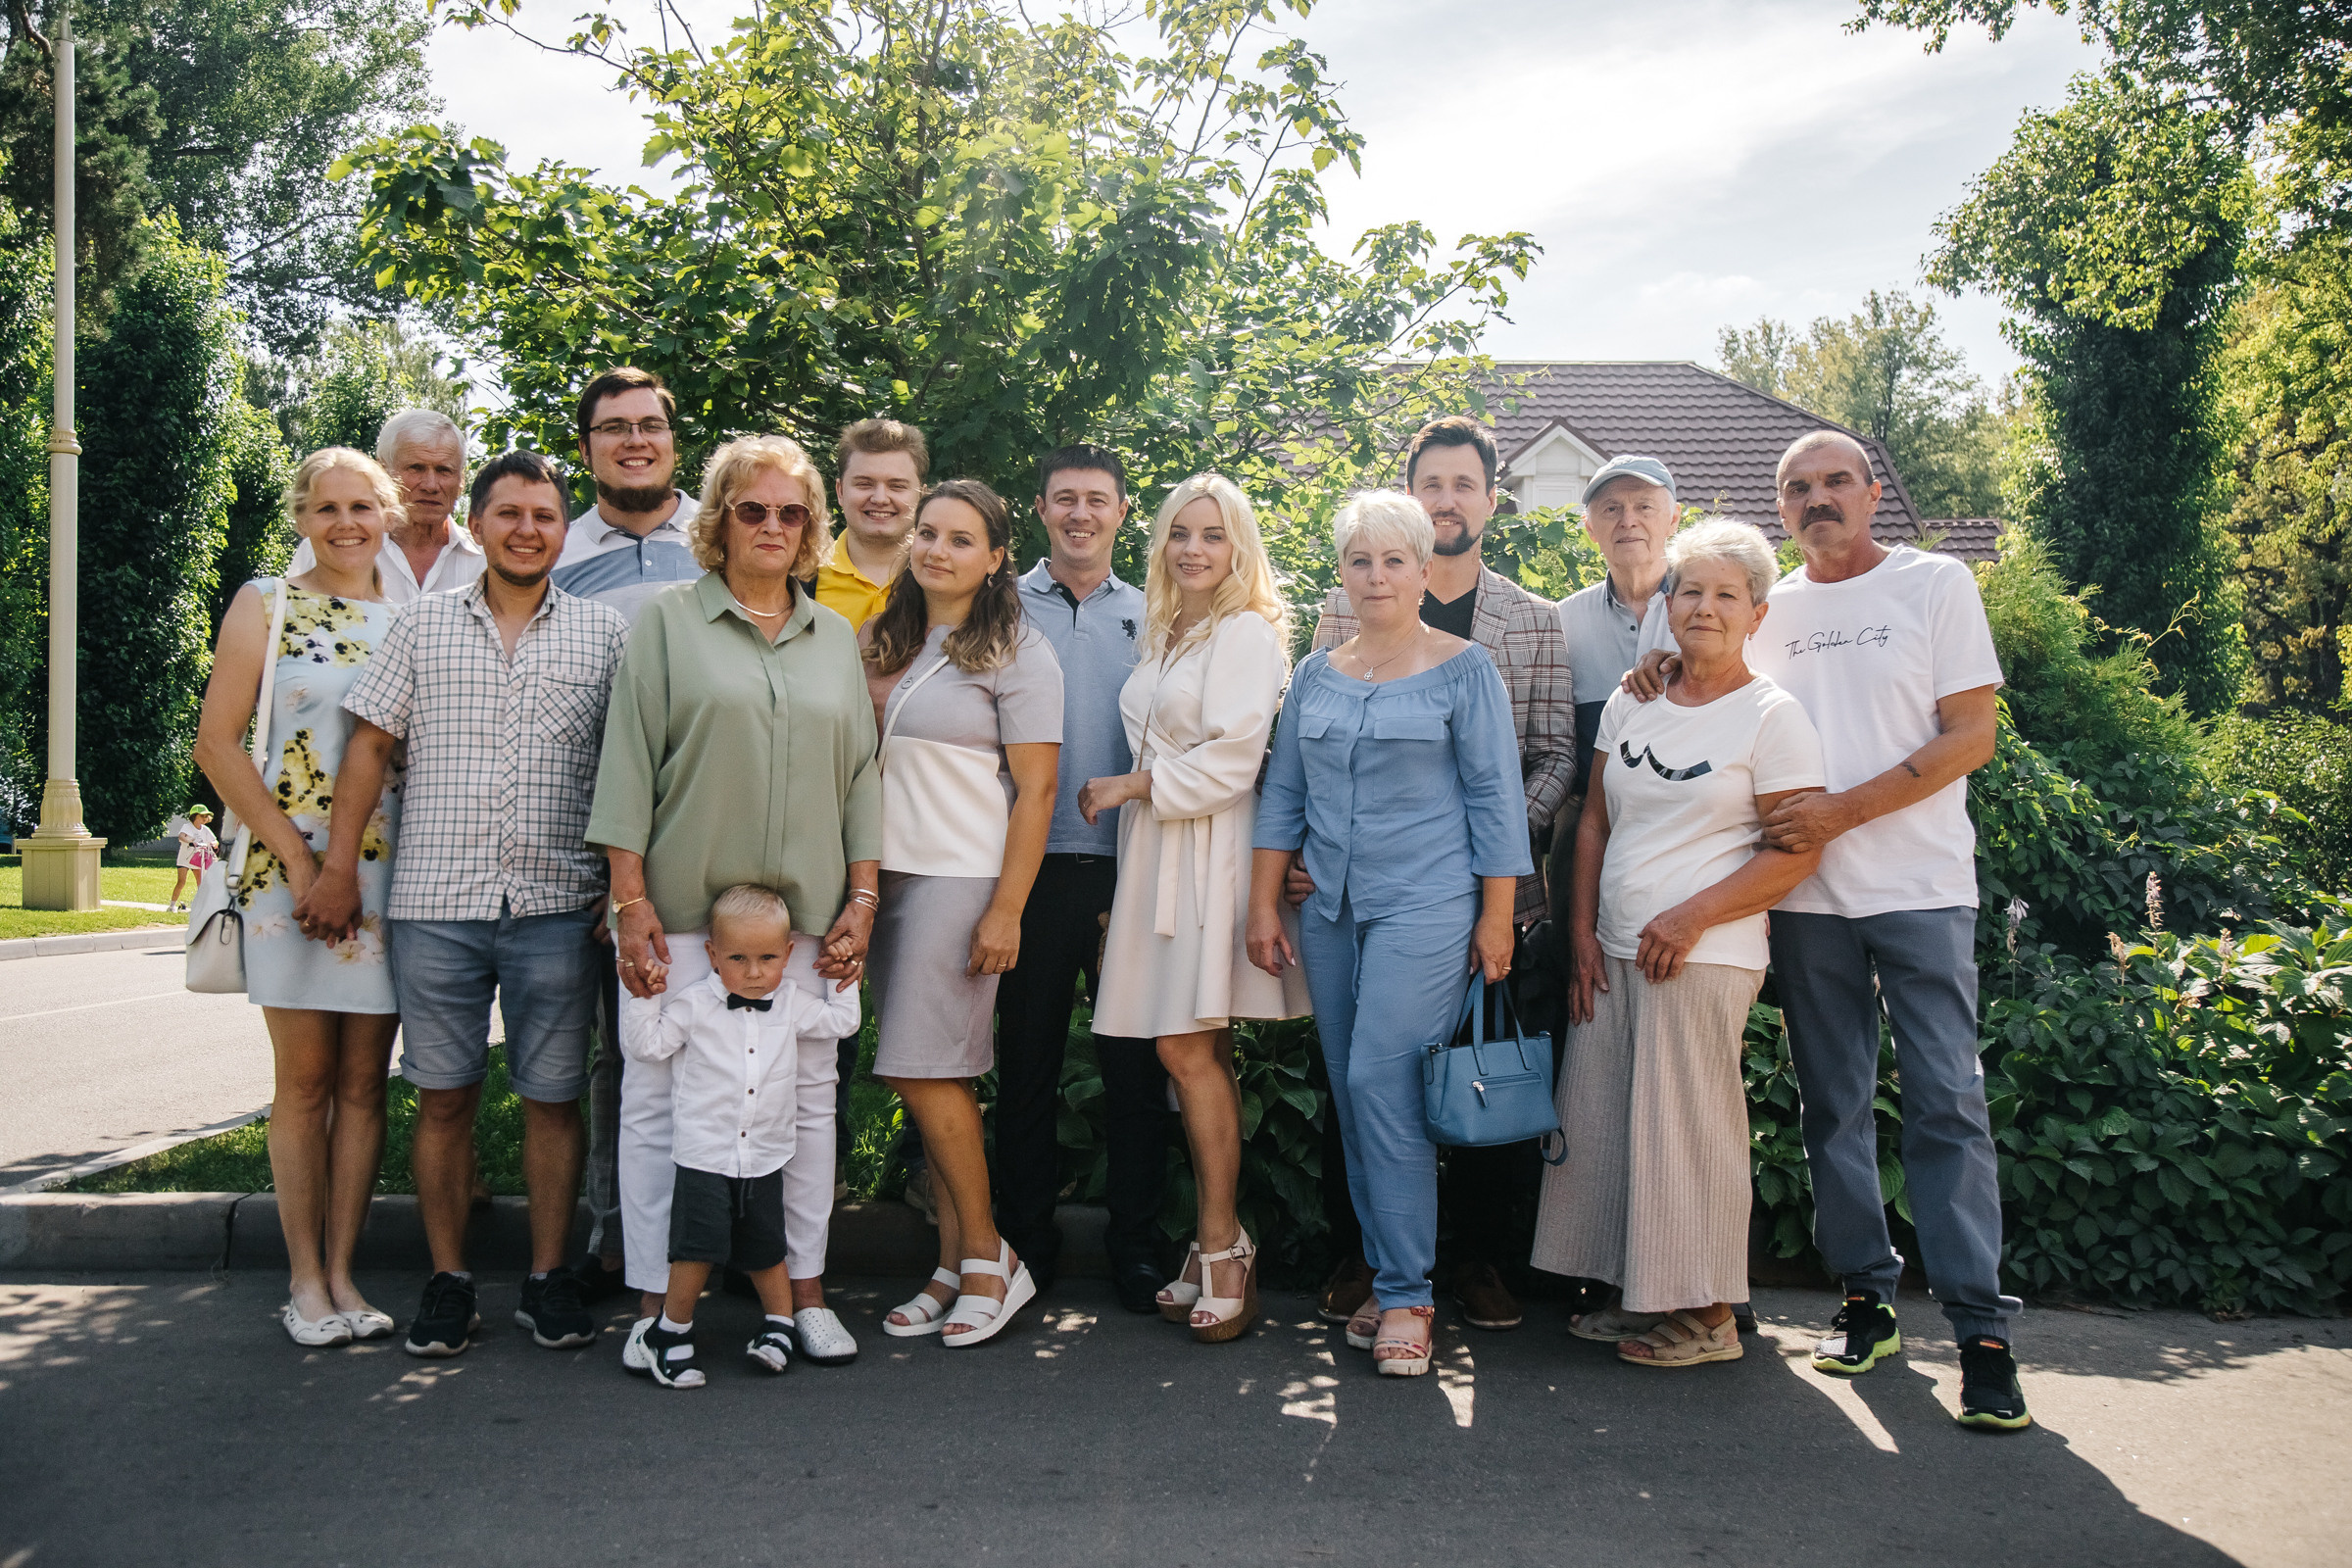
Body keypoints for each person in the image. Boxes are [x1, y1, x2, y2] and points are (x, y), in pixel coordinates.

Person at [1630, 430, 2022, 1428]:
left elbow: (1970, 735)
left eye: (1835, 481)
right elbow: (1696, 665)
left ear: (1873, 491)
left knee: (1946, 1106)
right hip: (1803, 901)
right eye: (1796, 487)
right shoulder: (1771, 605)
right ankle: (1865, 1298)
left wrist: (1841, 811)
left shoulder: (1935, 586)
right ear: (1783, 506)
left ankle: (1981, 1330)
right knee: (1831, 1107)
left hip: (1923, 888)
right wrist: (1651, 677)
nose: (1817, 498)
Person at [313, 449, 630, 1359]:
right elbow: (369, 752)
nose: (527, 530)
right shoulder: (419, 627)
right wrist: (338, 869)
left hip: (557, 904)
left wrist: (619, 881)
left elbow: (628, 768)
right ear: (476, 523)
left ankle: (545, 1279)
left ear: (563, 530)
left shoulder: (603, 636)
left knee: (552, 1099)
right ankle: (449, 1282)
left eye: (543, 516)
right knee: (443, 1099)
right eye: (509, 514)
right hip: (435, 903)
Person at [587, 433, 880, 1376]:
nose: (773, 526)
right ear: (719, 520)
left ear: (809, 531)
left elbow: (862, 777)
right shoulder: (669, 622)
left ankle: (804, 1297)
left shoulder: (832, 635)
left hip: (802, 926)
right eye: (753, 509)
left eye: (791, 513)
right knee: (659, 1109)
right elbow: (627, 763)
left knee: (805, 1111)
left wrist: (864, 897)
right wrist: (628, 903)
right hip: (676, 915)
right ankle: (650, 1305)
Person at [1298, 416, 1574, 1335]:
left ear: (1489, 501)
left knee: (1467, 1076)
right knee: (1362, 1083)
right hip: (1346, 896)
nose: (1446, 498)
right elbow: (1303, 766)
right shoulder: (1338, 624)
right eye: (1432, 482)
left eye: (1464, 484)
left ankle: (1466, 1268)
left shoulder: (1526, 625)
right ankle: (1377, 1267)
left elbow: (1541, 763)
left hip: (1470, 891)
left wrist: (1481, 884)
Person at [1250, 490, 1530, 1377]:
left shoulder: (1465, 668)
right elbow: (1283, 798)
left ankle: (1410, 1295)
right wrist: (1265, 903)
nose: (1376, 576)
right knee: (1352, 1087)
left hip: (1431, 905)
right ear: (1342, 572)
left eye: (1394, 560)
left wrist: (1497, 917)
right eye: (1360, 561)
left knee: (1380, 1078)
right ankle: (1386, 1274)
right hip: (1329, 910)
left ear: (1423, 569)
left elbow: (1496, 798)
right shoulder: (1315, 673)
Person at [1533, 519, 1825, 1368]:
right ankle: (1644, 1296)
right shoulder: (1634, 699)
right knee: (1613, 1124)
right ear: (1666, 604)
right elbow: (1592, 822)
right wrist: (1581, 935)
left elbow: (1797, 851)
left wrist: (1691, 919)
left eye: (1726, 594)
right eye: (1690, 590)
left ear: (1757, 615)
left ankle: (1708, 1318)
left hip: (1700, 956)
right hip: (1615, 951)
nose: (1704, 608)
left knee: (1688, 1131)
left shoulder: (1773, 717)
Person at [1080, 474, 1310, 1343]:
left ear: (1239, 546)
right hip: (1156, 850)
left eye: (1213, 535)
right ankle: (1213, 1243)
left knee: (1184, 1045)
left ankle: (1222, 1244)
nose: (1194, 549)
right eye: (1181, 532)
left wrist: (1135, 784)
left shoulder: (1246, 630)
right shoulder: (1168, 628)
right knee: (1190, 1046)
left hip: (1210, 849)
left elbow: (1234, 758)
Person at [194, 447, 407, 1348]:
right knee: (307, 1080)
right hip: (291, 875)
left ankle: (347, 1274)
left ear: (389, 513)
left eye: (363, 504)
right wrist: (299, 858)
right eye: (327, 507)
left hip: (390, 877)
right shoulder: (264, 605)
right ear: (300, 516)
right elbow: (217, 744)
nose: (346, 522)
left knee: (366, 1083)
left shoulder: (416, 617)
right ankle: (304, 1282)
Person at [862, 479, 1062, 1347]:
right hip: (882, 878)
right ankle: (949, 1267)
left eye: (961, 538)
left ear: (995, 557)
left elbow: (1039, 790)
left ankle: (991, 1257)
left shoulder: (1018, 648)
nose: (938, 550)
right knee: (933, 1072)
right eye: (928, 533)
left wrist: (1006, 910)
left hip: (959, 878)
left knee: (919, 1066)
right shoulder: (881, 637)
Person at [1000, 445, 1171, 1314]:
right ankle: (1022, 1246)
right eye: (1063, 498)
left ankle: (1135, 1247)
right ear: (1039, 509)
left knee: (1134, 1072)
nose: (1079, 514)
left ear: (1121, 512)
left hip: (1130, 868)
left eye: (1096, 500)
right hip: (1023, 872)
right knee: (1023, 1067)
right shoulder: (998, 604)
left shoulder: (1156, 614)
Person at [551, 367, 704, 1303]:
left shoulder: (724, 540)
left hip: (698, 835)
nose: (634, 441)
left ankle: (715, 1236)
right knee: (617, 1049)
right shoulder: (550, 551)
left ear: (673, 440)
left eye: (650, 425)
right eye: (614, 429)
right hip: (578, 837)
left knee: (716, 1046)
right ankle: (614, 1238)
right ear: (587, 447)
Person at [621, 885, 862, 1390]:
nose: (754, 972)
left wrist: (845, 976)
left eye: (768, 958)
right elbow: (646, 1046)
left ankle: (777, 1325)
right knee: (695, 1249)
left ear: (788, 955)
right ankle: (671, 1330)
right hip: (705, 1155)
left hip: (765, 1155)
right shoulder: (692, 1006)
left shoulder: (793, 1001)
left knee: (767, 1247)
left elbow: (843, 1022)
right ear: (711, 954)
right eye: (737, 958)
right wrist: (645, 996)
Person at [285, 409, 482, 601]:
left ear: (461, 480)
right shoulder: (329, 548)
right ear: (383, 471)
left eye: (444, 470)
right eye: (416, 468)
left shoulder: (486, 561)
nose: (431, 485)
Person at [815, 416, 927, 629]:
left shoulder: (943, 580)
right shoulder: (802, 580)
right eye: (864, 484)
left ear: (922, 496)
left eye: (897, 486)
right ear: (840, 491)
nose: (880, 498)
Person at [169, 804, 218, 911]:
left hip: (198, 859)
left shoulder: (205, 829)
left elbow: (214, 840)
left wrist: (214, 843)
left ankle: (201, 906)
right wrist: (191, 841)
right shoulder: (187, 827)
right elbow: (181, 836)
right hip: (185, 859)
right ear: (194, 816)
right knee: (181, 881)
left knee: (201, 882)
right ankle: (172, 906)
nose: (205, 818)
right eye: (202, 816)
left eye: (206, 816)